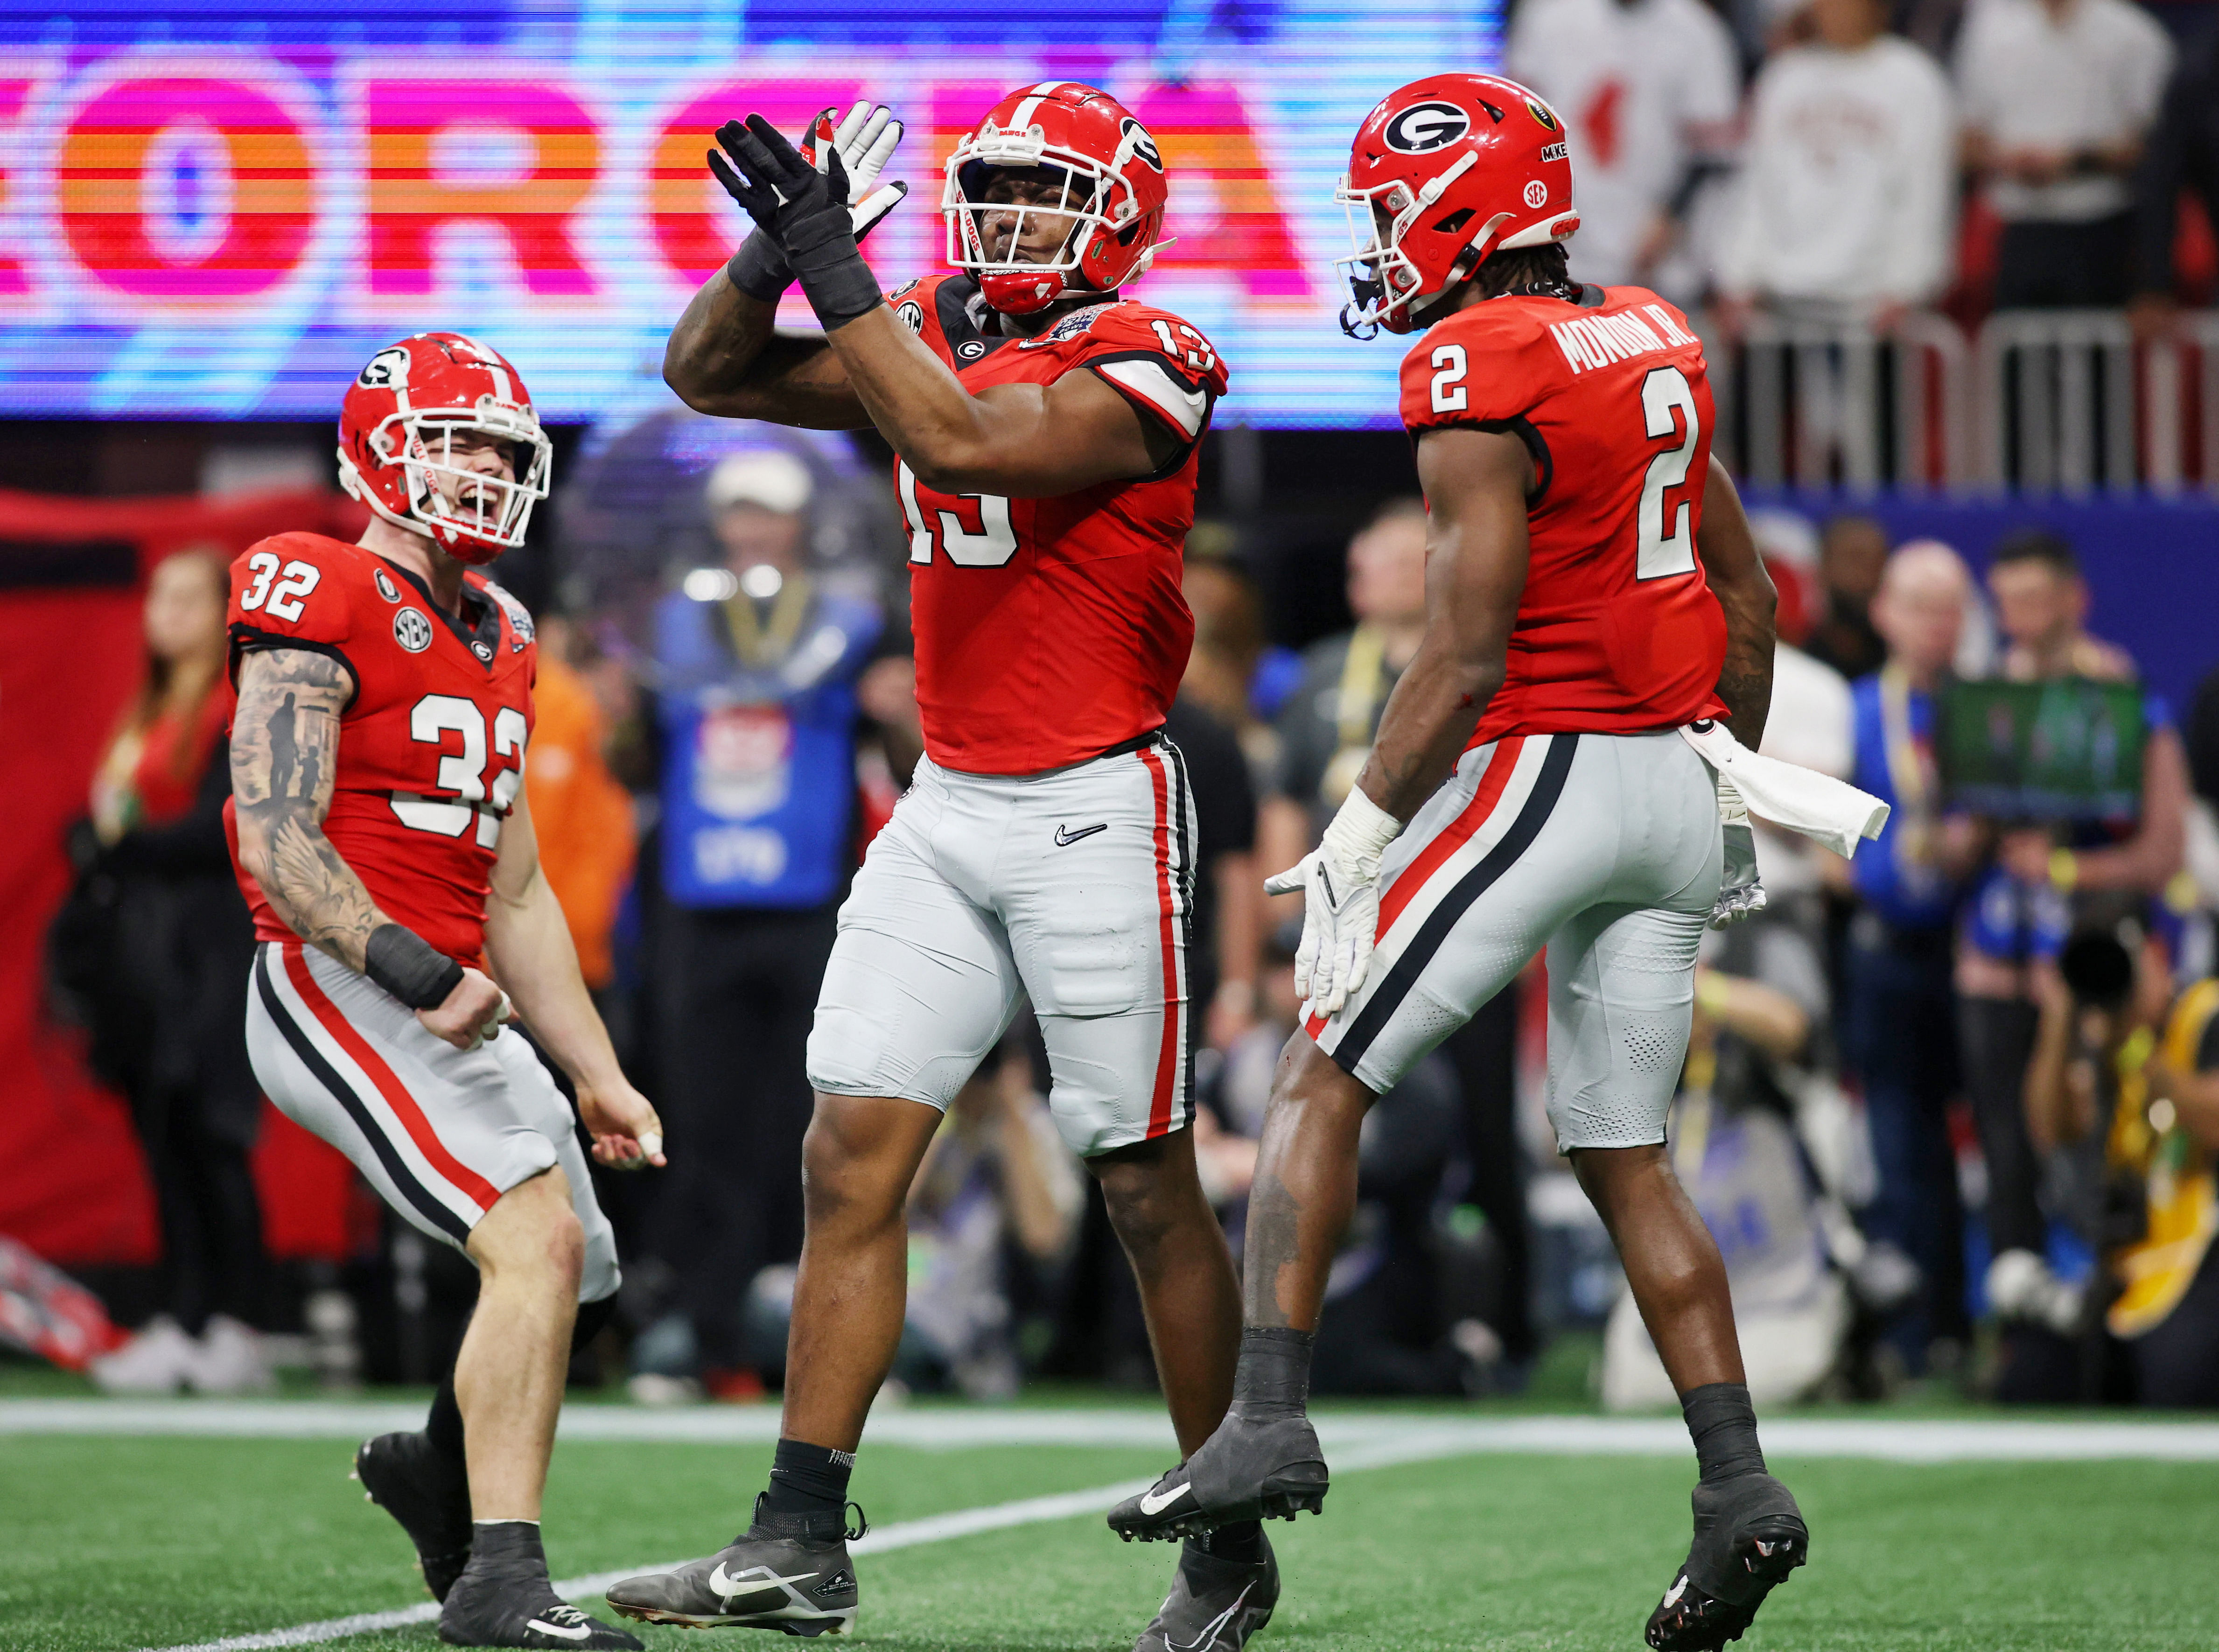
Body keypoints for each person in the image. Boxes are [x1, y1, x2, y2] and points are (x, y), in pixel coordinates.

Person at [1108, 73, 1884, 1652]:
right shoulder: (1653, 332)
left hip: (1557, 769)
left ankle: (1265, 1415)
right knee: (1622, 1150)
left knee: (1321, 1076)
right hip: (1669, 782)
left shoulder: (1476, 357)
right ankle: (1736, 1485)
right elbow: (1744, 592)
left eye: (1393, 210)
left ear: (1466, 205)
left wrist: (1358, 829)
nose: (1380, 243)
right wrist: (1716, 779)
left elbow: (1459, 653)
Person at [607, 93, 1262, 1652]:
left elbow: (969, 440)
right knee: (847, 1157)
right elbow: (703, 372)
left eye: (1043, 193)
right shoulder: (929, 331)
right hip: (948, 801)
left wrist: (841, 272)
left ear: (1118, 216)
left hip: (1095, 803)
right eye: (994, 190)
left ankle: (1228, 1538)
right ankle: (796, 1536)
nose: (1007, 217)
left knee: (1140, 1179)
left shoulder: (1155, 356)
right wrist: (777, 250)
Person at [225, 332, 662, 1650]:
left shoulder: (510, 630)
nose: (479, 468)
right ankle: (499, 1578)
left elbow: (517, 889)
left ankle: (434, 1464)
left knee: (579, 1269)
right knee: (528, 1237)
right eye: (453, 438)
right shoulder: (316, 581)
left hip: (455, 983)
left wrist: (596, 1068)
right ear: (375, 449)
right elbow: (272, 831)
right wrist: (411, 967)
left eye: (498, 447)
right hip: (339, 974)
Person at [1258, 497, 1537, 1367]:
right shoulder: (1317, 675)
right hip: (1348, 942)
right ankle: (1347, 1324)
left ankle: (1511, 1319)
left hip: (1462, 930)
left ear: (1427, 565)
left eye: (1375, 558)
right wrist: (1278, 938)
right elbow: (1284, 806)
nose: (1356, 574)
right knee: (1336, 1119)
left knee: (1486, 1129)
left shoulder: (1483, 665)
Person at [644, 443, 886, 1392]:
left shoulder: (846, 623)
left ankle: (794, 1341)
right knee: (701, 1127)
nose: (750, 529)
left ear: (796, 526)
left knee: (803, 1123)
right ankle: (706, 1336)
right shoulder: (671, 621)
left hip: (804, 898)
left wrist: (891, 708)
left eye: (767, 513)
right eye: (736, 512)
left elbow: (899, 731)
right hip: (700, 900)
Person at [69, 549, 272, 1395]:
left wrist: (124, 848)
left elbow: (225, 825)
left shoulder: (237, 707)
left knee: (214, 1132)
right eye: (159, 597)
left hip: (214, 952)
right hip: (148, 959)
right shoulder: (149, 709)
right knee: (164, 1137)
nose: (166, 614)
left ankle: (243, 1321)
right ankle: (184, 1314)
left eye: (186, 598)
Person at [1839, 544, 1986, 1372]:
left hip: (1974, 954)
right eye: (1919, 604)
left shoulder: (1990, 707)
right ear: (1885, 613)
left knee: (1995, 1140)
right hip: (1886, 950)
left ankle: (1974, 1326)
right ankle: (1914, 1332)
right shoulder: (1859, 708)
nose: (1935, 623)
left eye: (1949, 605)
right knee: (1901, 1143)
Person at [2023, 928, 2219, 1407]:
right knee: (2032, 1377)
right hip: (2124, 1268)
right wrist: (2061, 1016)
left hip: (2202, 1256)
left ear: (2156, 956)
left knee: (2176, 1377)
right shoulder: (2100, 1032)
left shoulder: (2204, 1013)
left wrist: (2138, 1049)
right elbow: (2052, 1128)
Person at [1713, 0, 1955, 335]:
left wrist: (1907, 284)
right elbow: (1757, 186)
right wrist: (1737, 274)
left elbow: (1924, 192)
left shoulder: (1913, 79)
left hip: (1870, 304)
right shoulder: (1785, 76)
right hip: (1782, 292)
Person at [1505, 0, 1739, 296]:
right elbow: (1518, 129)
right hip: (1565, 249)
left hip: (1657, 258)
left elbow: (1711, 153)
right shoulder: (1547, 17)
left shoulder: (1696, 29)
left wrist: (1671, 218)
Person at [1956, 0, 2172, 310]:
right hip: (2016, 228)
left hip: (2100, 227)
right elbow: (1965, 141)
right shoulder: (1990, 29)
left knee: (2095, 348)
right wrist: (2006, 159)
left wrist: (2074, 160)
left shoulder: (2133, 34)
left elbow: (2155, 146)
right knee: (2015, 345)